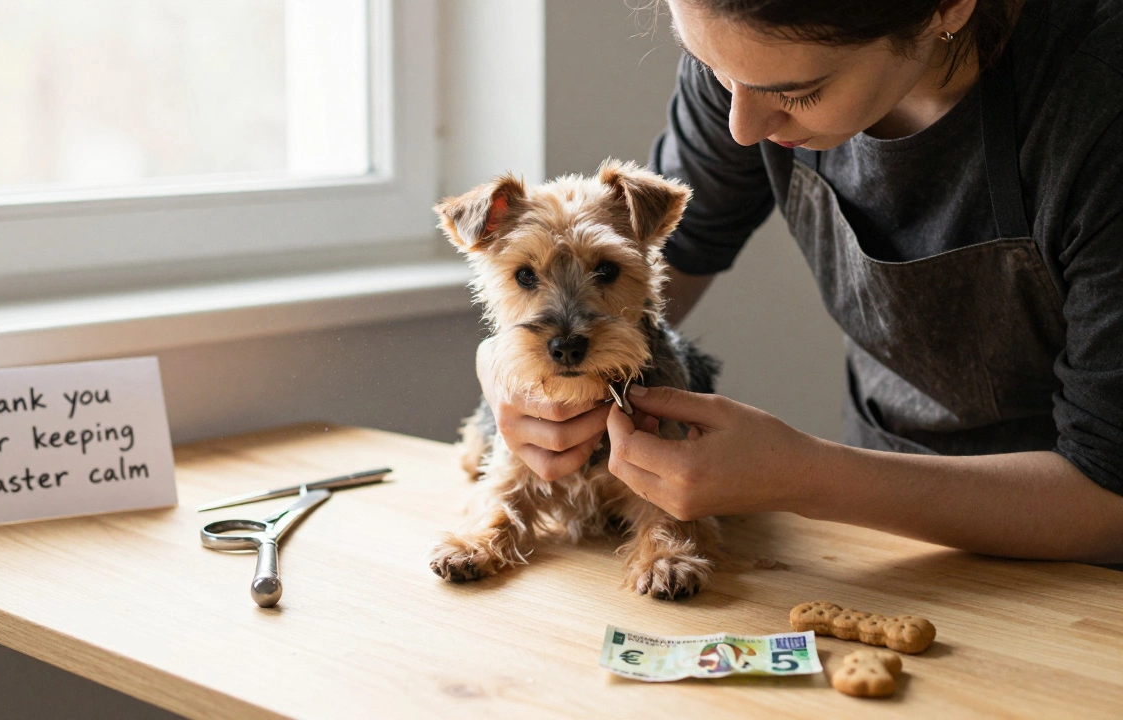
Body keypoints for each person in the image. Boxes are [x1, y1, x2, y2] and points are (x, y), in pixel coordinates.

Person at [476, 0, 1123, 563]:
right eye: (716, 71)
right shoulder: (749, 67)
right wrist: (506, 375)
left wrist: (806, 477)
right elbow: (648, 270)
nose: (742, 128)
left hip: (1081, 560)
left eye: (799, 92)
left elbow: (1108, 491)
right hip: (882, 534)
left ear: (946, 6)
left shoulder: (1095, 108)